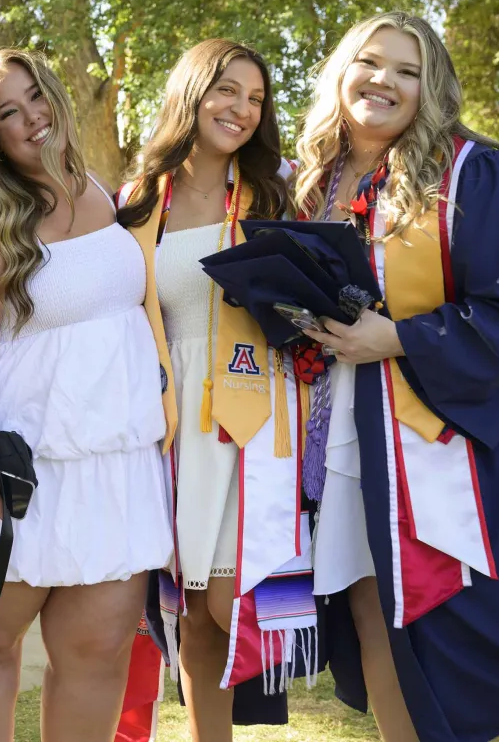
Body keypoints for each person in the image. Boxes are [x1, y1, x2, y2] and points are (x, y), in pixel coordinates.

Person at [294, 11, 499, 742]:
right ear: (340, 72)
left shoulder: (471, 172)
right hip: (341, 430)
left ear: (432, 88)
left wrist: (399, 337)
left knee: (430, 618)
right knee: (369, 606)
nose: (384, 81)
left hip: (433, 436)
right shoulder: (315, 180)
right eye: (370, 62)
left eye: (408, 71)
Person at [0, 48, 174, 742]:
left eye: (35, 97)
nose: (30, 118)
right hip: (22, 469)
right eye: (6, 112)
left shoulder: (108, 190)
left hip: (118, 464)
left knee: (98, 654)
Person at [116, 38, 312, 742]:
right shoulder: (140, 202)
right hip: (173, 423)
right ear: (192, 93)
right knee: (193, 609)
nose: (242, 109)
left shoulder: (276, 195)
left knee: (236, 601)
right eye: (228, 90)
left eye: (256, 98)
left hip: (255, 421)